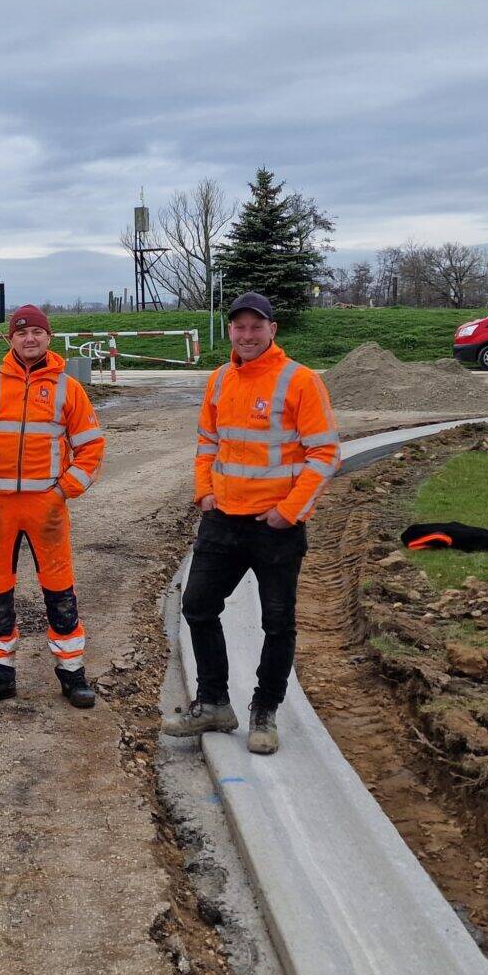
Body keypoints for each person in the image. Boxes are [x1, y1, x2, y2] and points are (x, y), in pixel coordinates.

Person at [165, 292, 339, 755]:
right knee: (198, 606)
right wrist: (203, 492)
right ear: (230, 332)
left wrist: (290, 511)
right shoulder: (221, 379)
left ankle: (265, 709)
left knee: (277, 622)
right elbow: (207, 440)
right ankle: (215, 702)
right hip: (222, 520)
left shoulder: (299, 381)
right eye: (238, 327)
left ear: (272, 330)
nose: (246, 335)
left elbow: (324, 453)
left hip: (275, 527)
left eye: (255, 327)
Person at [0, 305, 106, 710]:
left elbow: (91, 447)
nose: (29, 339)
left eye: (37, 332)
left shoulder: (69, 388)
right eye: (22, 333)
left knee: (60, 591)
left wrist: (63, 490)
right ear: (10, 340)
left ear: (48, 338)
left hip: (46, 507)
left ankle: (72, 675)